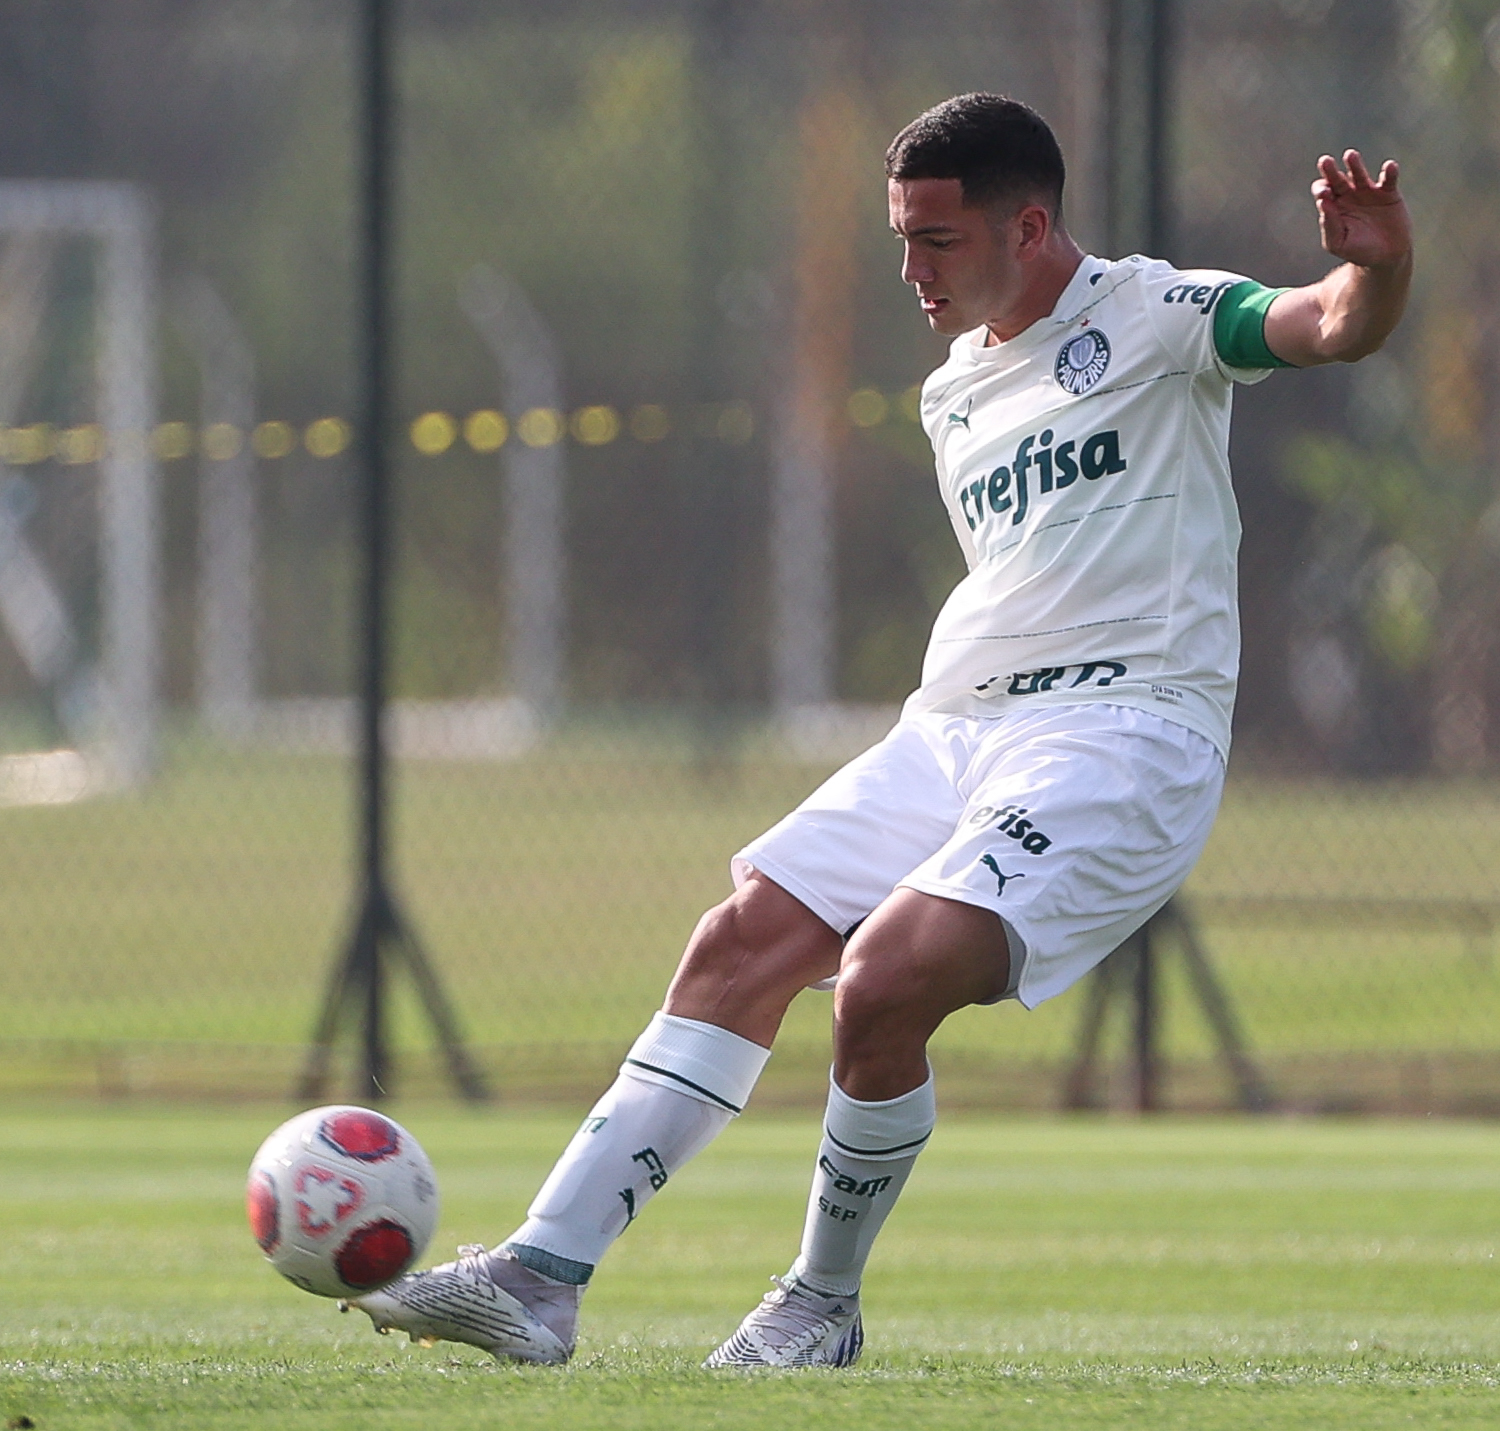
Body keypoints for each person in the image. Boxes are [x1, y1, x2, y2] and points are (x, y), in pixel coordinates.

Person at [346, 93, 1411, 1368]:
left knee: (886, 976)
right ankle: (537, 1279)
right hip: (957, 729)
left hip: (1124, 735)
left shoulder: (1160, 315)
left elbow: (1326, 326)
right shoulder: (951, 393)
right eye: (902, 237)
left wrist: (1376, 268)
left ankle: (819, 1305)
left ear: (1028, 225)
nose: (910, 271)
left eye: (938, 241)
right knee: (740, 942)